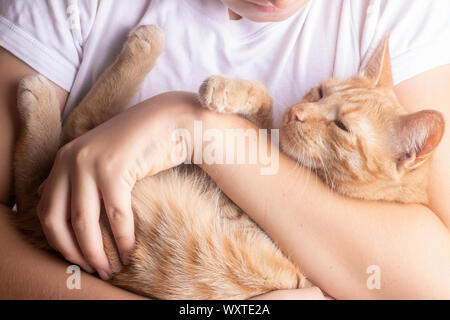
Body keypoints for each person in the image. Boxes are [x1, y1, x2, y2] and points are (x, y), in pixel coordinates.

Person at [0, 0, 449, 299]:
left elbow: (436, 281)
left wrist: (198, 127)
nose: (303, 114)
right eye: (317, 96)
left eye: (340, 122)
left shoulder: (396, 13)